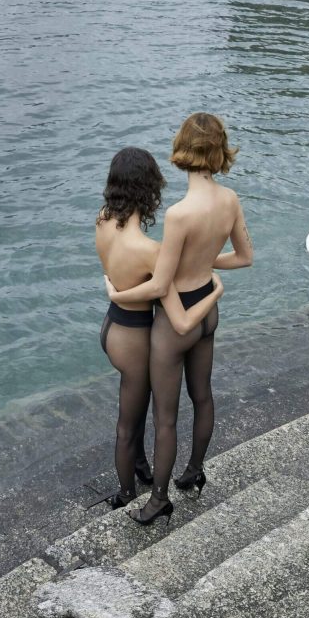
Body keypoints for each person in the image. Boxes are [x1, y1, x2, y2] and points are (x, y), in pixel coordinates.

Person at [104, 113, 253, 526]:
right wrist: (207, 265)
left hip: (176, 323)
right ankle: (195, 471)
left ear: (182, 149)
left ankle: (158, 500)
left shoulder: (179, 215)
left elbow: (159, 287)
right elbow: (244, 257)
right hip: (209, 306)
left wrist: (118, 294)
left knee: (165, 417)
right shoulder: (231, 199)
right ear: (219, 150)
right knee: (202, 396)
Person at [96, 146, 223, 509]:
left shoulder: (102, 219)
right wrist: (214, 291)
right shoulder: (149, 250)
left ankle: (138, 466)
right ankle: (125, 495)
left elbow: (113, 270)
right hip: (134, 338)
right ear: (149, 189)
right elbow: (178, 316)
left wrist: (115, 293)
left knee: (131, 416)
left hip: (111, 327)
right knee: (127, 425)